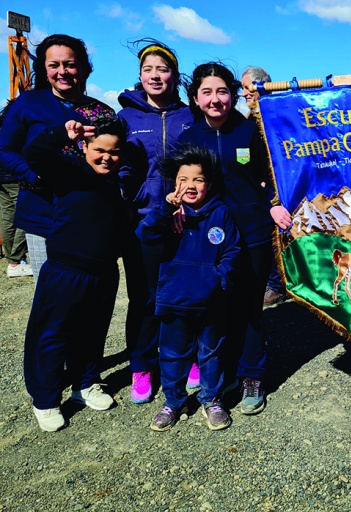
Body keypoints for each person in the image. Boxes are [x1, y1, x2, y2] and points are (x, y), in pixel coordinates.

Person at [178, 62, 289, 415]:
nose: (216, 99)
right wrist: (177, 206)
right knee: (215, 308)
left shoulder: (250, 132)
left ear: (232, 95)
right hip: (206, 239)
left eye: (222, 91)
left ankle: (252, 376)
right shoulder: (189, 138)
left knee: (250, 309)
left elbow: (273, 173)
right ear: (195, 98)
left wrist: (272, 203)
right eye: (207, 92)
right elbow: (180, 184)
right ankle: (218, 372)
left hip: (252, 232)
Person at [21, 117, 128, 432]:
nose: (107, 157)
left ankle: (86, 383)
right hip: (65, 271)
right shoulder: (68, 170)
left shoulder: (118, 183)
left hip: (103, 272)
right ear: (85, 147)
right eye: (100, 150)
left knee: (93, 332)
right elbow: (33, 154)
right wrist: (59, 133)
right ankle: (46, 398)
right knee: (52, 335)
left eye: (115, 151)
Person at [137, 144, 240, 431]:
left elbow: (232, 251)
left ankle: (212, 399)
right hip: (173, 299)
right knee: (172, 353)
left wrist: (218, 278)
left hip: (211, 301)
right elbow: (144, 235)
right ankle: (174, 401)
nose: (190, 185)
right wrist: (165, 210)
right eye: (183, 179)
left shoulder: (221, 214)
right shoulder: (166, 214)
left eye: (198, 179)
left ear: (209, 183)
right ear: (173, 184)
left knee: (211, 351)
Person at [117, 39, 196, 404]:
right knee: (144, 297)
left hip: (186, 220)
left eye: (162, 69)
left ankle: (190, 357)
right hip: (141, 221)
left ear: (174, 76)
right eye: (148, 69)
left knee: (185, 293)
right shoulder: (126, 118)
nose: (154, 75)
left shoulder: (189, 116)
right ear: (139, 75)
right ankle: (142, 366)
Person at [0, 34, 115, 285]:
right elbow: (4, 150)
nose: (62, 71)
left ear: (84, 68)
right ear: (45, 68)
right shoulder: (28, 103)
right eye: (54, 65)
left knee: (85, 294)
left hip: (87, 216)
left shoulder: (103, 112)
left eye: (70, 64)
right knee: (49, 296)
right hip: (42, 214)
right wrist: (34, 175)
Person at [240, 65, 286, 308]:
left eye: (247, 88)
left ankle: (277, 285)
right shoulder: (249, 117)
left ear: (261, 86)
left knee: (278, 232)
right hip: (260, 182)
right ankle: (274, 282)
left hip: (279, 183)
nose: (244, 94)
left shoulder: (275, 113)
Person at [0, 101, 30, 278]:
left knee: (7, 215)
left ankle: (13, 260)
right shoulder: (19, 123)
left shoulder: (3, 123)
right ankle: (16, 260)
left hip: (1, 176)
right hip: (15, 175)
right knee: (24, 215)